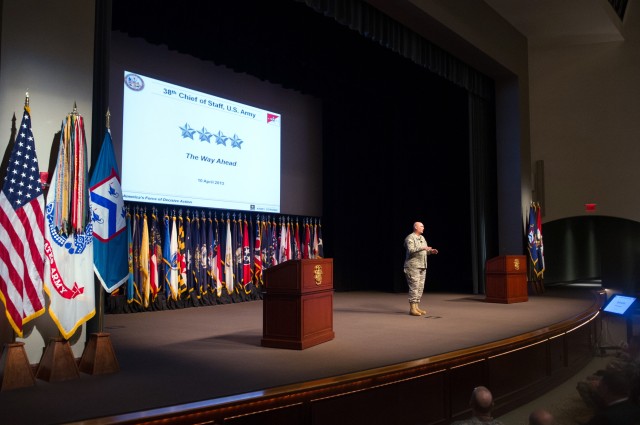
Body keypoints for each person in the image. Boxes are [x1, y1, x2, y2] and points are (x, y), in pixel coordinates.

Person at [404, 221, 438, 316]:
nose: (423, 228)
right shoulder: (410, 238)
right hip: (412, 266)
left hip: (422, 266)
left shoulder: (422, 238)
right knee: (414, 288)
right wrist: (423, 248)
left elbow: (424, 251)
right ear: (416, 227)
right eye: (421, 226)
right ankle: (412, 309)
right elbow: (411, 250)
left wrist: (431, 251)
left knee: (420, 288)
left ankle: (417, 307)